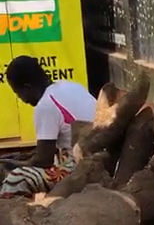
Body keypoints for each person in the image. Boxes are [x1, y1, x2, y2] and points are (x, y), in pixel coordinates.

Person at [0, 54, 96, 198]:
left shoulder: (45, 106)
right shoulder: (70, 85)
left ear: (27, 87)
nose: (21, 99)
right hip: (99, 152)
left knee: (16, 177)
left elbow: (44, 160)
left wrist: (14, 165)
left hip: (80, 165)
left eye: (18, 93)